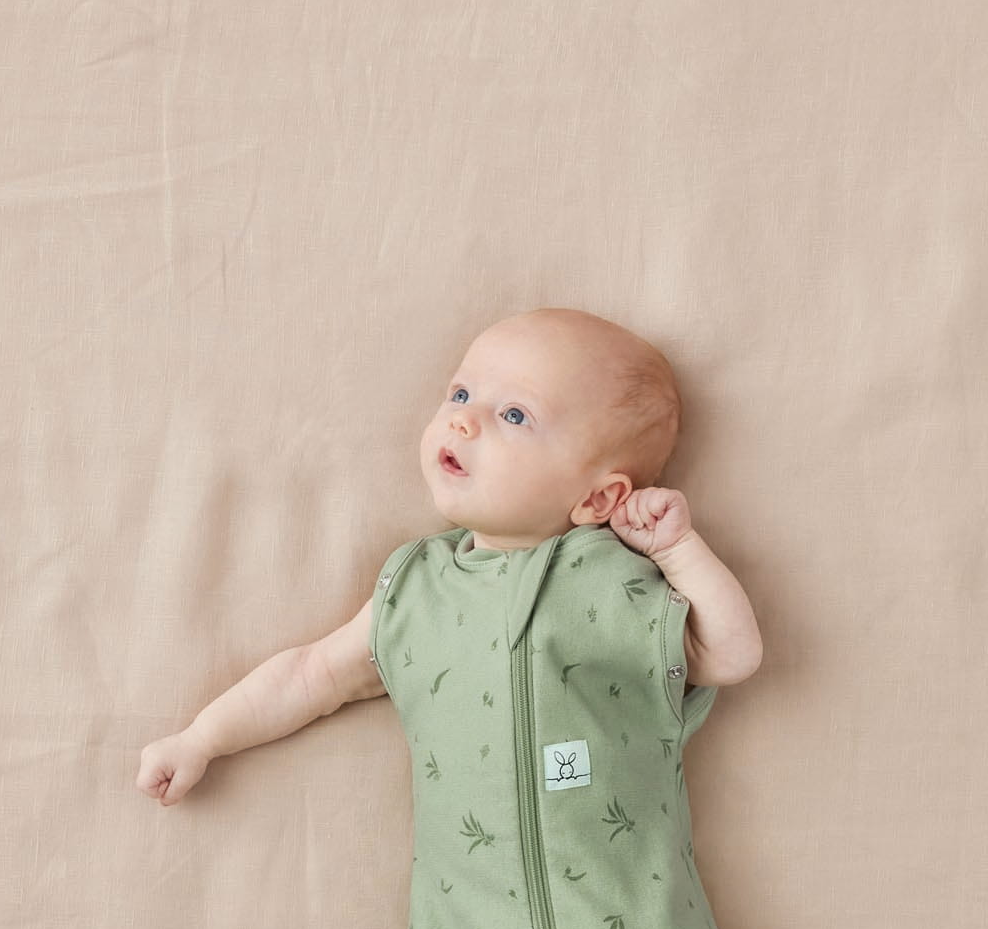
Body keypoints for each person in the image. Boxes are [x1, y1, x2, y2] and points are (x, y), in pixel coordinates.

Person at [135, 306, 761, 807]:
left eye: (513, 414)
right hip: (462, 916)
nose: (464, 420)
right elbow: (310, 676)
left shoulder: (612, 582)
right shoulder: (416, 590)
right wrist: (202, 739)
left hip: (626, 906)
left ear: (598, 497)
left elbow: (728, 654)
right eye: (460, 393)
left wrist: (678, 550)